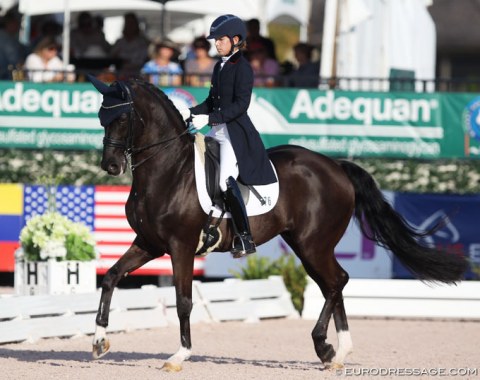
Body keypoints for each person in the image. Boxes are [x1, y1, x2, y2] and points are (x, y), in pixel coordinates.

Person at [179, 14, 277, 258]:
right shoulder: (219, 65)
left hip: (234, 134)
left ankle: (244, 237)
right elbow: (212, 102)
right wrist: (188, 111)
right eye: (215, 40)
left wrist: (209, 119)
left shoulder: (243, 68)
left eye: (220, 40)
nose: (217, 44)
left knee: (225, 181)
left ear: (235, 40)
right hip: (216, 130)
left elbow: (240, 106)